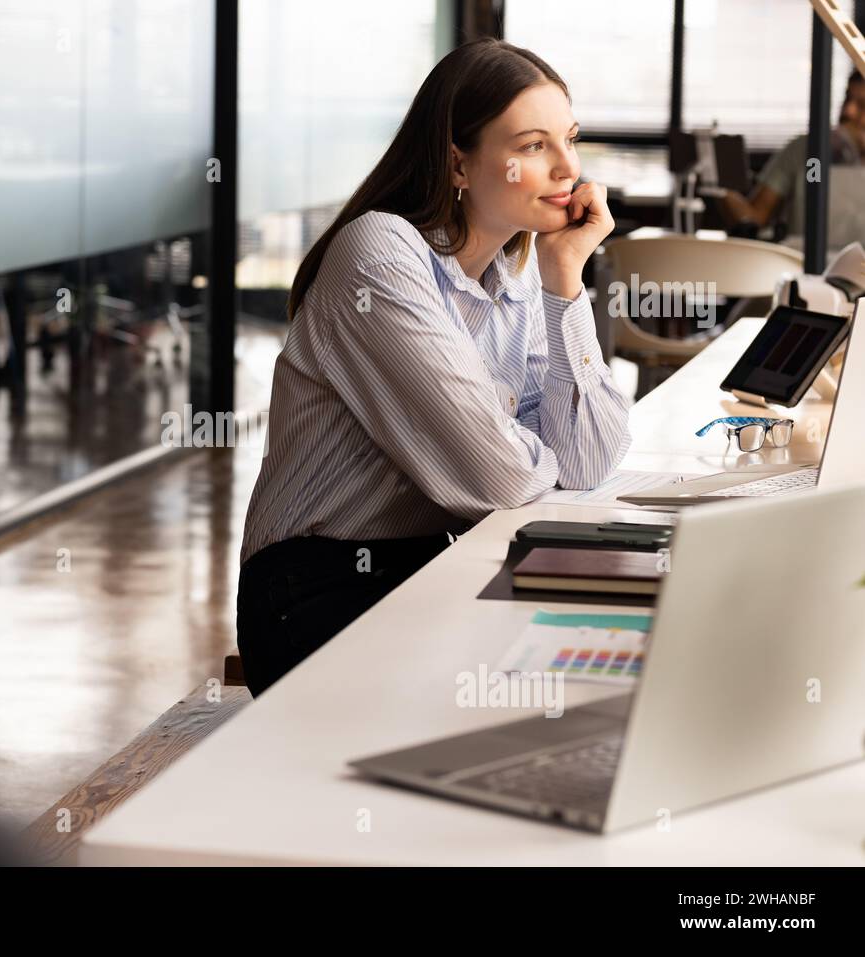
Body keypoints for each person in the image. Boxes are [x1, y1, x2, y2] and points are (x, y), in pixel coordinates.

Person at [235, 38, 632, 697]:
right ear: (458, 163)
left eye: (570, 138)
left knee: (582, 670)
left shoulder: (518, 277)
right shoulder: (380, 254)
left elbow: (587, 459)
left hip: (424, 567)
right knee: (536, 687)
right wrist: (528, 452)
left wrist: (566, 277)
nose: (569, 167)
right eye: (533, 146)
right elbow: (504, 480)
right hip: (314, 591)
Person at [719, 72, 865, 237]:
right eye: (847, 99)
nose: (849, 111)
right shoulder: (810, 152)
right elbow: (755, 217)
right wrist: (717, 183)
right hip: (803, 258)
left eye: (862, 104)